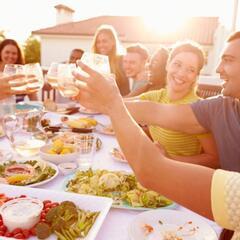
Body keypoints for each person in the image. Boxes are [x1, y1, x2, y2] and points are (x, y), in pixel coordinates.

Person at [73, 30, 240, 239]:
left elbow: (150, 171)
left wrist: (111, 104)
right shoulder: (222, 106)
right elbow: (153, 110)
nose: (217, 69)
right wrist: (100, 102)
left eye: (229, 60)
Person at [127, 41, 219, 167]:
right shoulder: (158, 95)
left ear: (196, 77)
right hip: (155, 167)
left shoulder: (198, 109)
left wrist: (169, 158)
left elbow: (214, 159)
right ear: (168, 65)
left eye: (191, 70)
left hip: (181, 176)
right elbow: (120, 104)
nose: (181, 73)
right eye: (177, 64)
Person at [92, 24, 130, 95]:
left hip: (119, 102)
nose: (101, 45)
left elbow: (126, 89)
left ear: (113, 42)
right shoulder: (94, 62)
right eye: (98, 42)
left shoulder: (121, 60)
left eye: (104, 41)